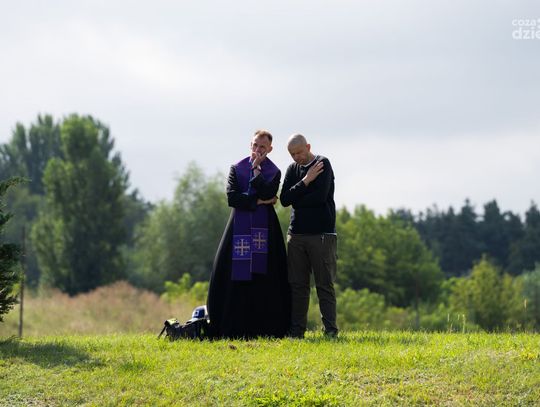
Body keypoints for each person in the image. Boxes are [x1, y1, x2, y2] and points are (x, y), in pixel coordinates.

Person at [207, 130, 290, 338]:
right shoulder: (236, 168)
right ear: (250, 145)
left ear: (270, 149)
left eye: (262, 147)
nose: (258, 150)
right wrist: (258, 202)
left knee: (266, 276)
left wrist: (256, 171)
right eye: (255, 145)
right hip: (238, 228)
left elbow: (268, 192)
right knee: (232, 275)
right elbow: (232, 198)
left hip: (265, 229)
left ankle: (265, 329)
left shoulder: (275, 172)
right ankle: (231, 327)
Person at [280, 134, 338, 338]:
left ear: (308, 147)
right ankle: (297, 331)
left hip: (321, 235)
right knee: (298, 286)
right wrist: (306, 181)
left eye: (299, 152)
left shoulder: (323, 164)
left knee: (324, 285)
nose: (297, 157)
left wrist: (297, 197)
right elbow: (285, 199)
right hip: (296, 235)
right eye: (292, 154)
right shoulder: (292, 170)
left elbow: (319, 198)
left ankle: (330, 330)